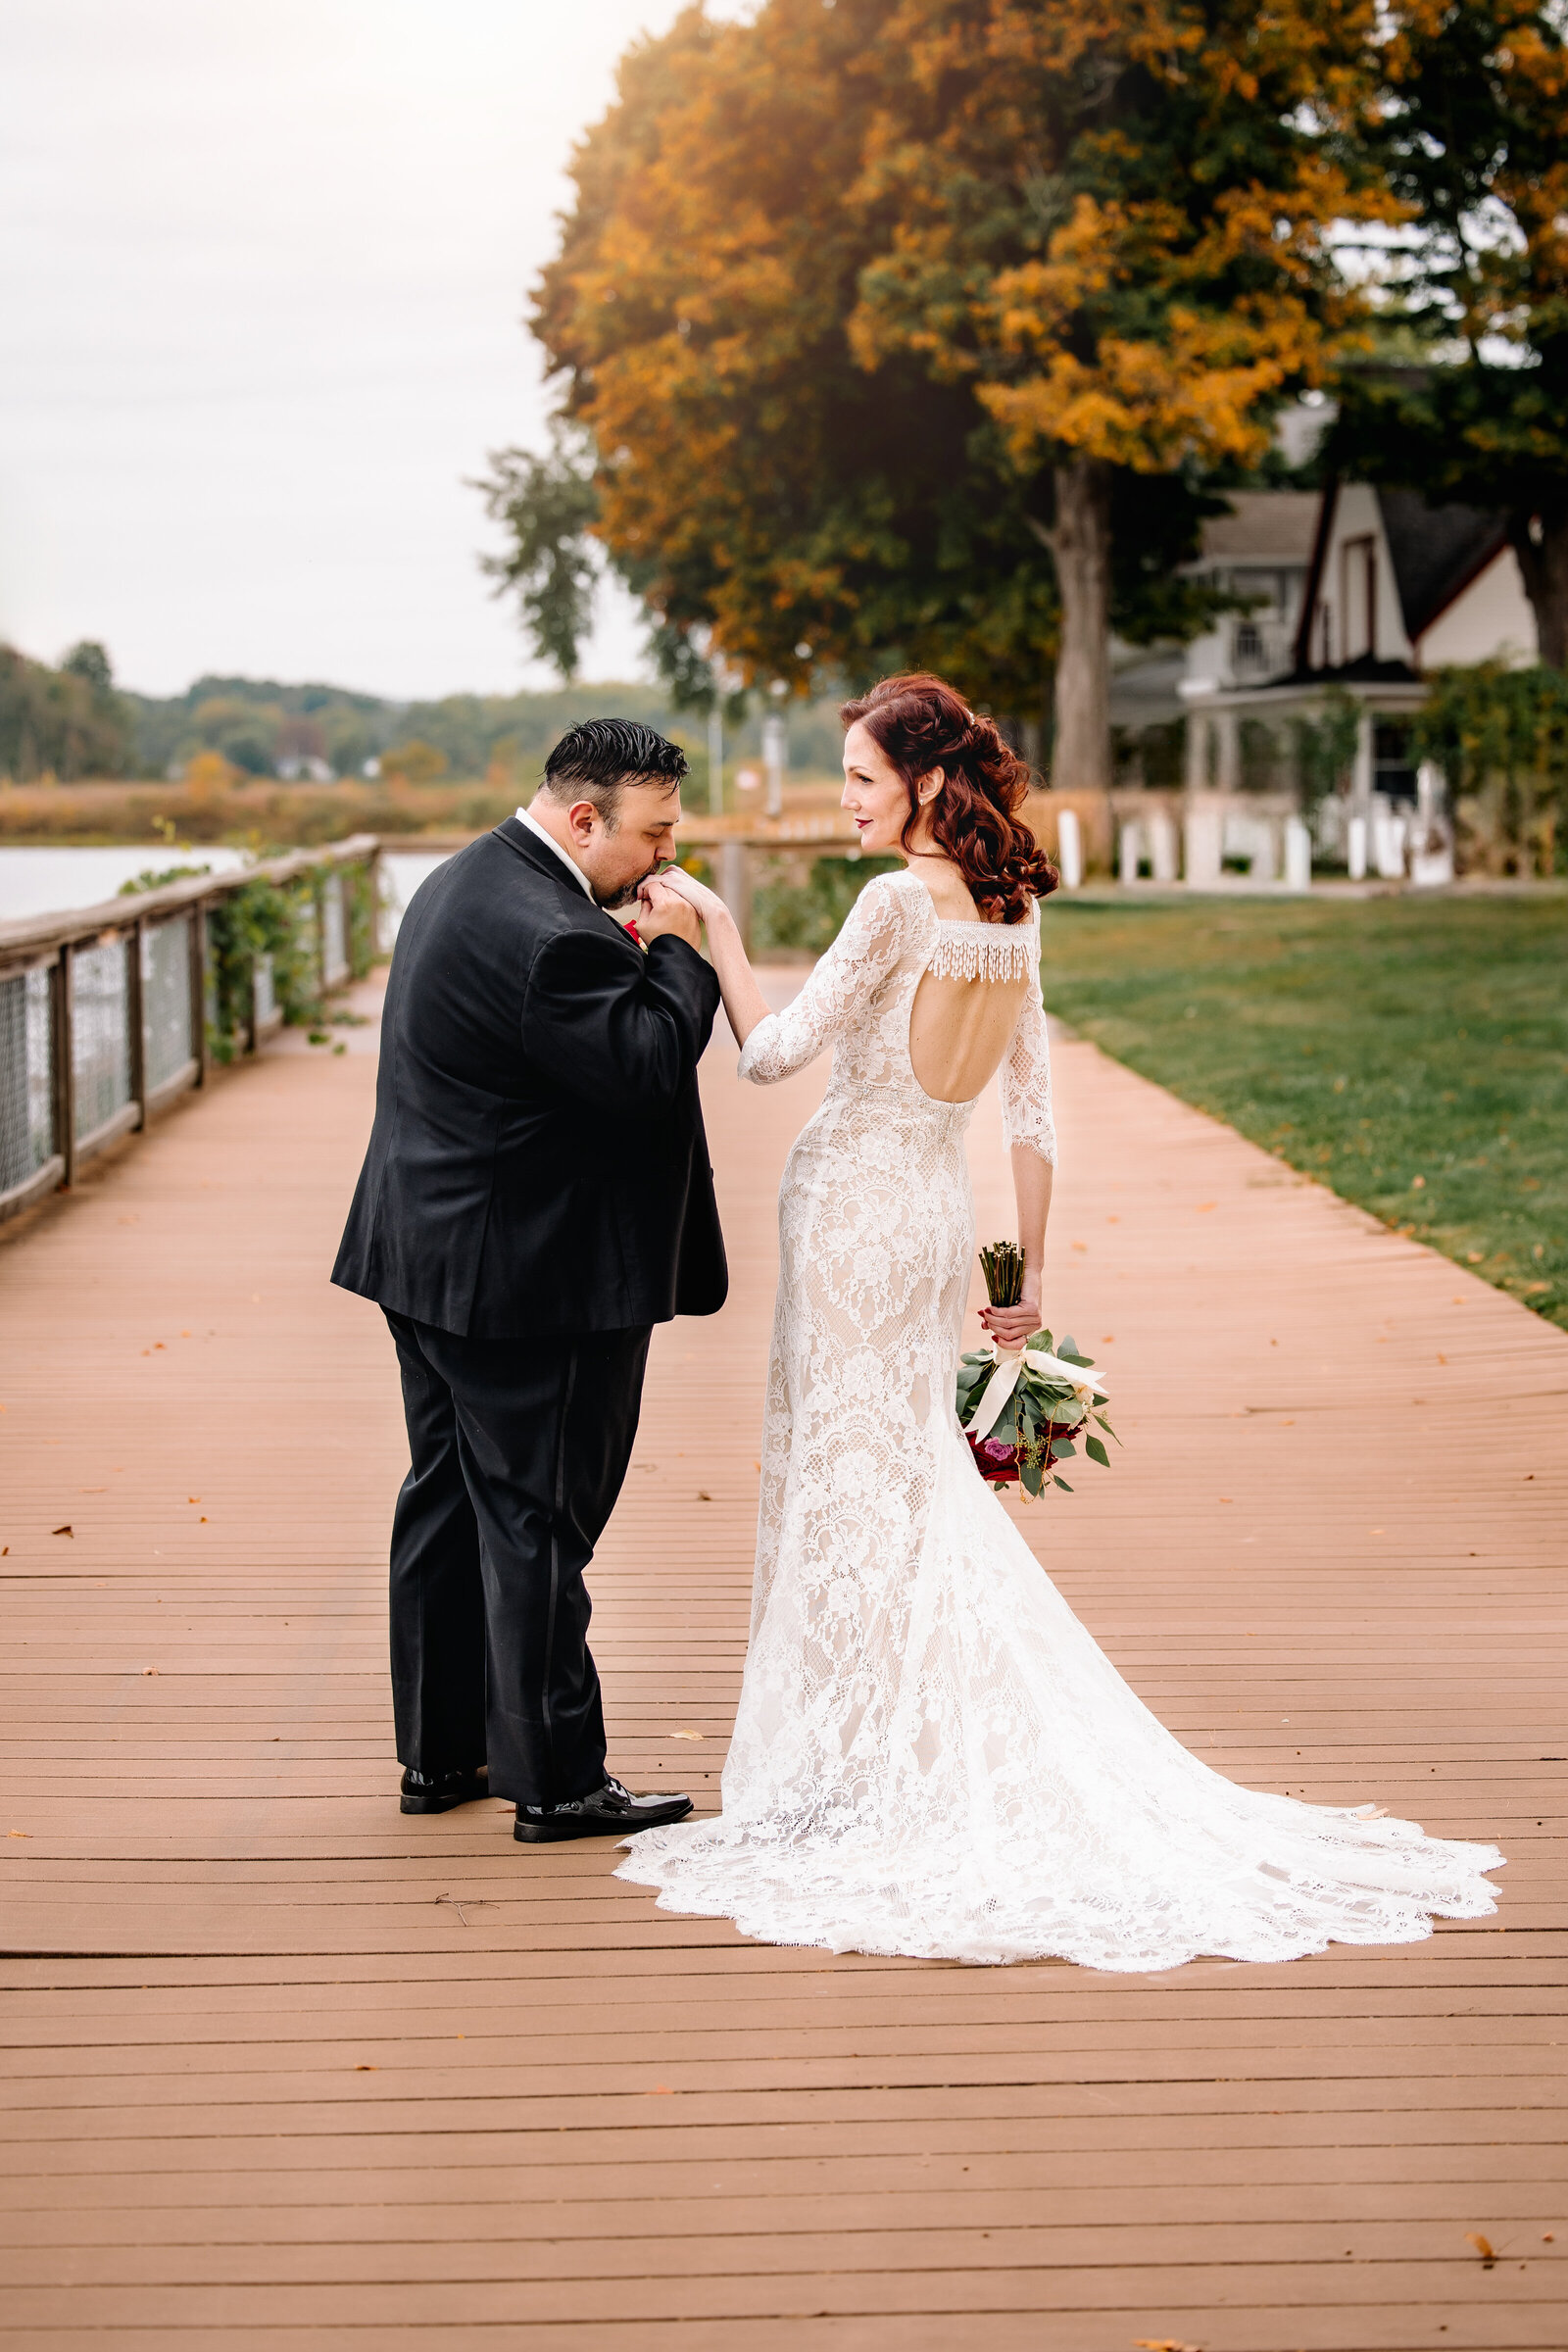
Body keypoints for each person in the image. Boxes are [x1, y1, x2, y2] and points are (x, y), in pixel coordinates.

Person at [617, 673, 1503, 1970]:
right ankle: (874, 1749)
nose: (846, 800)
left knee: (849, 1483)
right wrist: (1024, 1290)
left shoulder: (890, 904)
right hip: (931, 1216)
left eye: (860, 777)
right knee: (905, 1480)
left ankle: (855, 1771)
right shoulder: (1012, 914)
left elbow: (771, 1054)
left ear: (922, 783)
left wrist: (709, 926)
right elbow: (1030, 1118)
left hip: (856, 1211)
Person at [332, 718, 726, 1842]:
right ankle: (556, 1779)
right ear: (583, 816)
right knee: (539, 1520)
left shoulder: (465, 879)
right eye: (651, 835)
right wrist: (679, 949)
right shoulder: (557, 934)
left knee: (448, 1504)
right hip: (526, 1282)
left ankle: (441, 1756)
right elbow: (646, 1068)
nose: (662, 858)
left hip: (427, 1256)